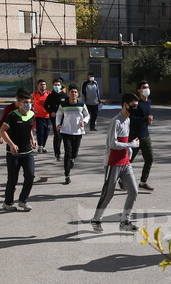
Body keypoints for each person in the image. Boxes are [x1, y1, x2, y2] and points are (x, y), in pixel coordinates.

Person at [91, 93, 141, 232]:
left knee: (133, 191)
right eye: (133, 106)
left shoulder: (128, 120)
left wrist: (129, 151)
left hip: (125, 162)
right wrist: (130, 145)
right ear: (125, 105)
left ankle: (125, 222)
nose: (135, 108)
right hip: (113, 163)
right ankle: (96, 219)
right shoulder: (116, 121)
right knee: (108, 193)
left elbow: (124, 141)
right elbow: (112, 144)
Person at [0, 91, 37, 212]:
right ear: (19, 104)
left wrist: (33, 138)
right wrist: (11, 144)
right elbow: (3, 131)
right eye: (25, 103)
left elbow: (29, 128)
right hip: (13, 154)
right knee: (12, 179)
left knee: (30, 176)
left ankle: (23, 201)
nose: (28, 105)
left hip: (27, 152)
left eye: (29, 103)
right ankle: (7, 202)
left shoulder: (31, 114)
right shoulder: (12, 115)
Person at [56, 85, 90, 185]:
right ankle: (67, 175)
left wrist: (84, 121)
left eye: (75, 92)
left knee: (74, 153)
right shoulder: (63, 104)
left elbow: (87, 115)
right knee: (68, 152)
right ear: (68, 93)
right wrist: (58, 124)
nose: (73, 94)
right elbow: (59, 114)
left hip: (78, 131)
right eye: (71, 92)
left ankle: (72, 159)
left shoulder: (81, 104)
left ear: (78, 94)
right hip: (66, 131)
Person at [130, 80, 155, 191]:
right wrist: (146, 119)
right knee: (128, 161)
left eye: (148, 87)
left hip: (145, 135)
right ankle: (120, 180)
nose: (147, 89)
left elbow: (146, 118)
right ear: (139, 90)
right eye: (144, 87)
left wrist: (149, 121)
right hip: (135, 136)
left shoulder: (148, 102)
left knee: (149, 159)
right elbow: (132, 119)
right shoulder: (136, 103)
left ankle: (143, 182)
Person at [45, 77, 66, 160]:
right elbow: (45, 106)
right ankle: (57, 153)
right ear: (53, 85)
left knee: (63, 136)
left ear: (61, 86)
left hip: (64, 119)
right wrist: (51, 112)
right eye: (55, 85)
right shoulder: (50, 96)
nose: (57, 86)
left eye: (58, 85)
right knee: (57, 135)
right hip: (54, 118)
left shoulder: (65, 95)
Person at [32, 79, 52, 153]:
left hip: (47, 116)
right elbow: (28, 102)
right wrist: (32, 110)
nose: (42, 86)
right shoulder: (34, 94)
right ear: (38, 86)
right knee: (40, 132)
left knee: (46, 132)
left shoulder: (49, 94)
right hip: (38, 116)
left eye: (44, 84)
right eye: (41, 84)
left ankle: (43, 146)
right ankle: (40, 146)